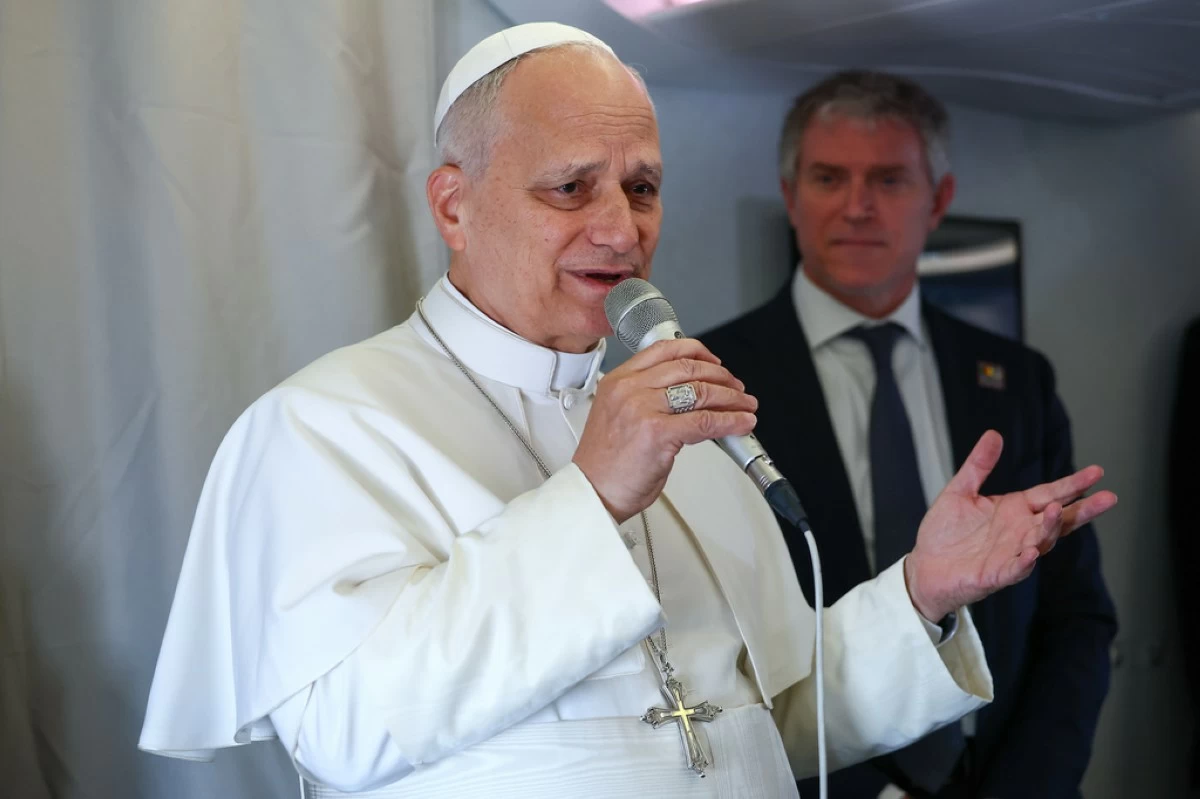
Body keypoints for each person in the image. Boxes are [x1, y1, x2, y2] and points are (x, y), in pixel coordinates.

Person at [139, 25, 1116, 799]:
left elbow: (770, 723)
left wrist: (921, 595)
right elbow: (346, 729)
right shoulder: (325, 426)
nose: (622, 229)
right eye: (571, 187)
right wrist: (593, 493)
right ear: (453, 207)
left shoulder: (678, 414)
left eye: (642, 187)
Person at [701, 70, 1118, 799]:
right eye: (830, 177)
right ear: (792, 196)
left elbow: (1074, 620)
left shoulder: (1016, 381)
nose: (858, 206)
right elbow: (711, 638)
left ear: (939, 200)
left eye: (889, 180)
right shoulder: (711, 381)